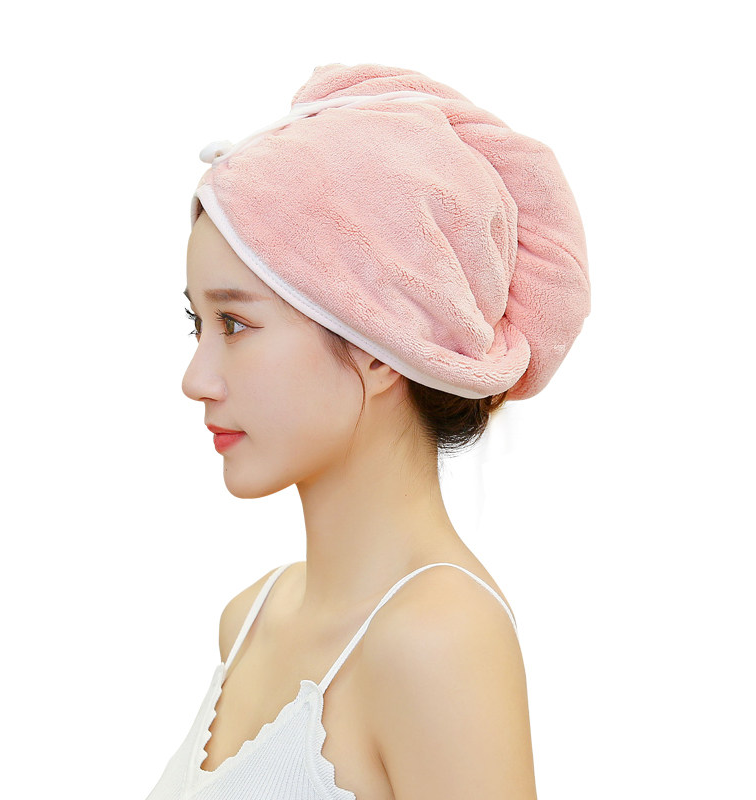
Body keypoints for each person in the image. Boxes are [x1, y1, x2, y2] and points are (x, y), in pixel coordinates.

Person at [146, 62, 590, 800]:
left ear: (383, 345)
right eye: (198, 323)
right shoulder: (249, 619)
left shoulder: (439, 639)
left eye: (236, 323)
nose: (197, 379)